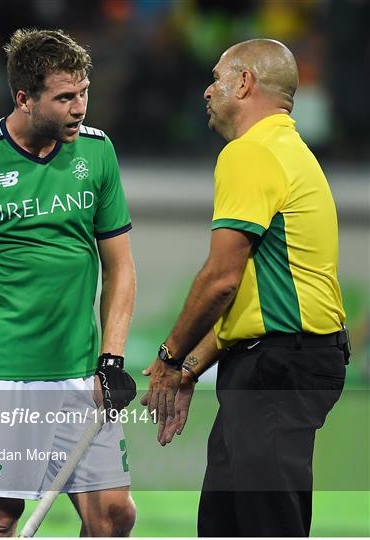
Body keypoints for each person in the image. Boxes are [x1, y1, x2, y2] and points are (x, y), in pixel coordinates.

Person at [0, 28, 137, 537]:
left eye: (83, 92)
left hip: (82, 373)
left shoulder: (97, 154)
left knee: (114, 516)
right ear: (23, 98)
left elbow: (120, 266)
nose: (80, 107)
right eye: (64, 97)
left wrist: (112, 358)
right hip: (3, 375)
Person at [142, 38, 350, 537]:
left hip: (277, 370)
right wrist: (192, 368)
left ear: (244, 83)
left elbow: (220, 280)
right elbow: (251, 300)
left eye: (216, 78)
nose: (207, 91)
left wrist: (169, 359)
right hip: (279, 362)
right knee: (226, 523)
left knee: (262, 527)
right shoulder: (291, 154)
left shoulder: (250, 154)